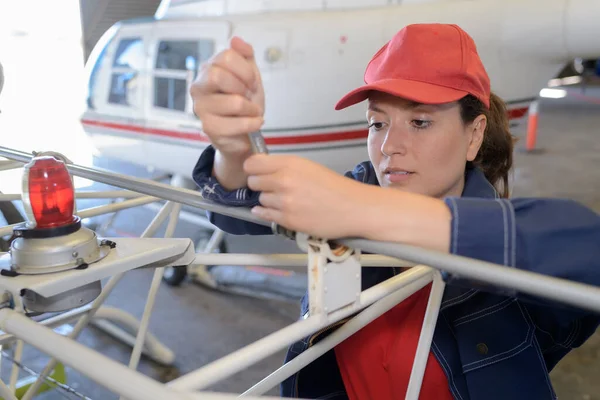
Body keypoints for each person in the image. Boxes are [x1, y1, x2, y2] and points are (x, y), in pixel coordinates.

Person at [190, 23, 600, 399]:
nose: (388, 147)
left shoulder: (513, 249)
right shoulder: (356, 190)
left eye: (420, 122)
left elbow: (588, 248)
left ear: (473, 136)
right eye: (377, 124)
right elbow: (233, 210)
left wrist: (370, 213)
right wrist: (235, 148)